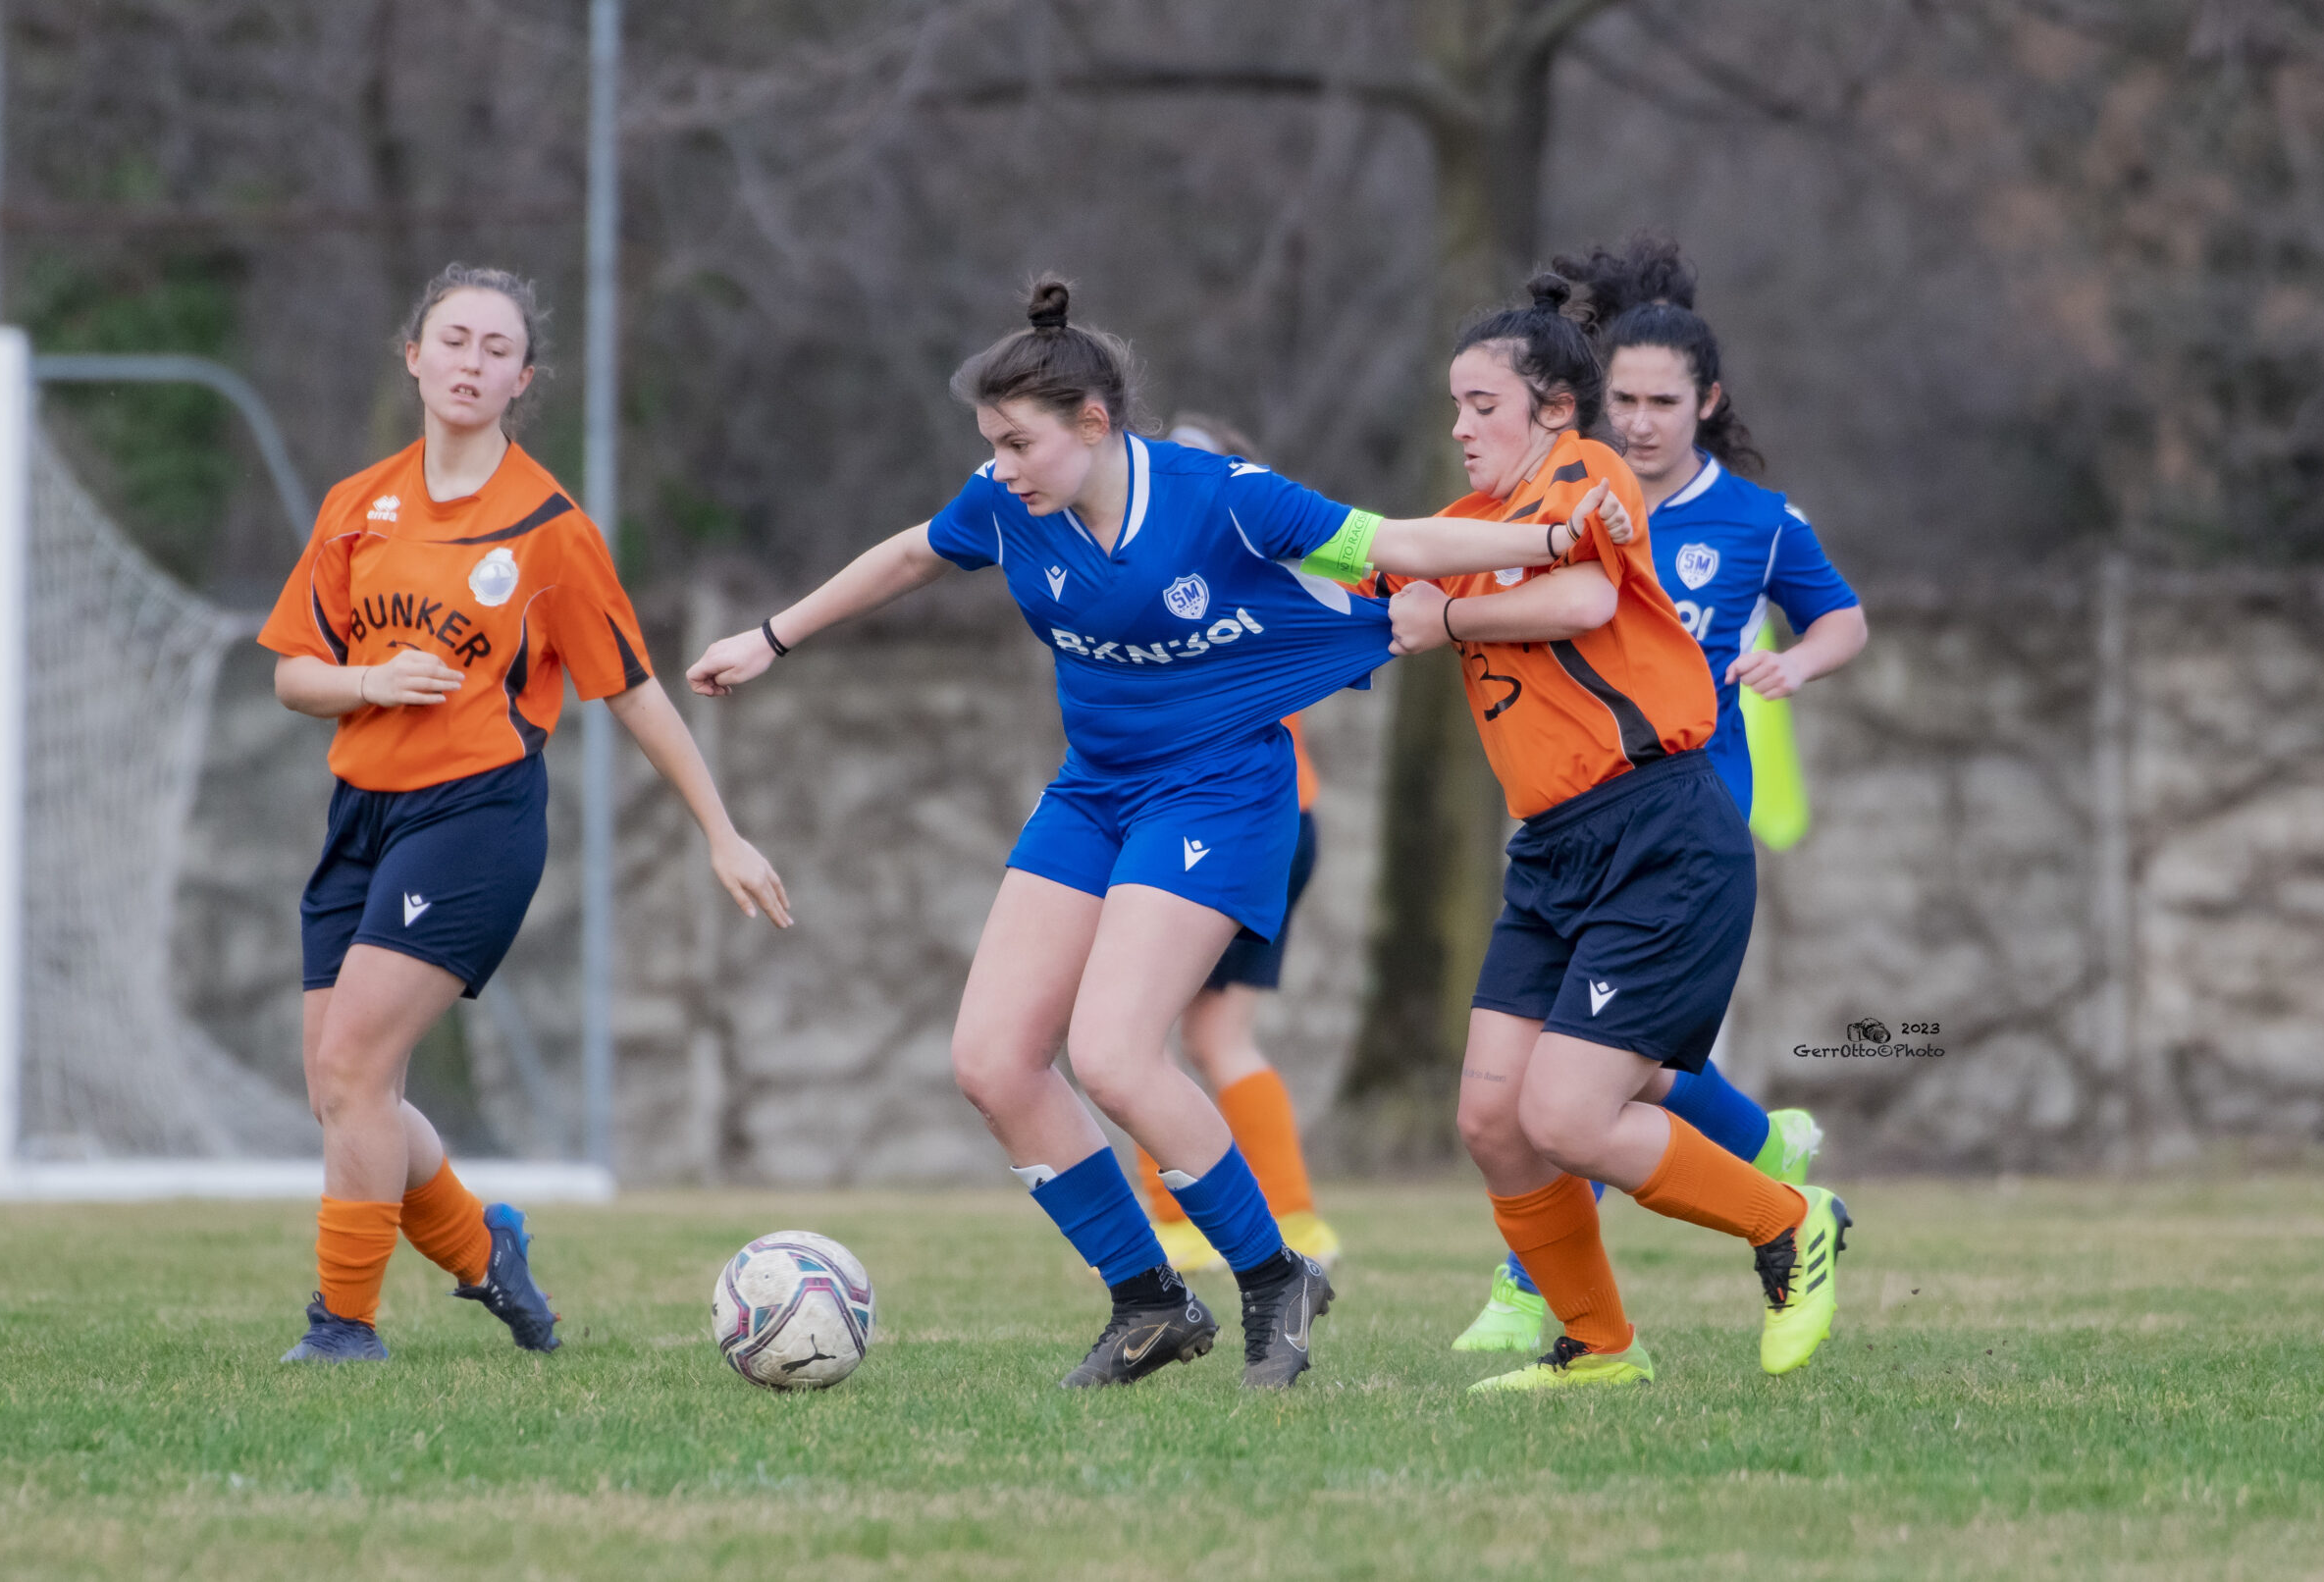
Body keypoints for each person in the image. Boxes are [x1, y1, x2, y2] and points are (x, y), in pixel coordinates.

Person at [687, 277, 1634, 1390]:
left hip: (1220, 790)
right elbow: (907, 554)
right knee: (991, 1062)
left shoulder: (1221, 498)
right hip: (1095, 790)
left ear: (1095, 423)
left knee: (1116, 1052)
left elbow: (1399, 544)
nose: (999, 467)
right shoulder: (1006, 505)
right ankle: (1148, 1302)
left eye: (1018, 443)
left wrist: (1557, 531)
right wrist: (772, 636)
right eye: (990, 444)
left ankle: (1274, 1272)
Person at [259, 263, 791, 1363]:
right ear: (414, 355)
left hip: (475, 817)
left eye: (496, 349)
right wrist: (370, 683)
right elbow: (293, 674)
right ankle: (486, 1251)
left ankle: (342, 1329)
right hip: (361, 810)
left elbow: (634, 690)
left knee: (358, 1069)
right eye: (453, 340)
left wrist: (720, 831)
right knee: (341, 1089)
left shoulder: (549, 529)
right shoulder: (357, 506)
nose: (471, 362)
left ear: (522, 379)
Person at [1382, 275, 1850, 1391]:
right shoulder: (1461, 527)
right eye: (1452, 406)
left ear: (1552, 408)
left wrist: (1444, 615)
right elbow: (1369, 558)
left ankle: (1788, 1221)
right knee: (1493, 1119)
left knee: (1569, 1113)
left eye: (1480, 405)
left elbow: (1586, 601)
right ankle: (1597, 1348)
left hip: (1660, 832)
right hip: (1550, 850)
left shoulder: (1586, 474)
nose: (1458, 428)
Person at [1131, 413, 1343, 1275]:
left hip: (1232, 821)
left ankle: (1177, 1224)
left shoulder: (1218, 565)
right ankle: (1294, 1220)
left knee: (1133, 1030)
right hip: (1278, 815)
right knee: (1214, 1036)